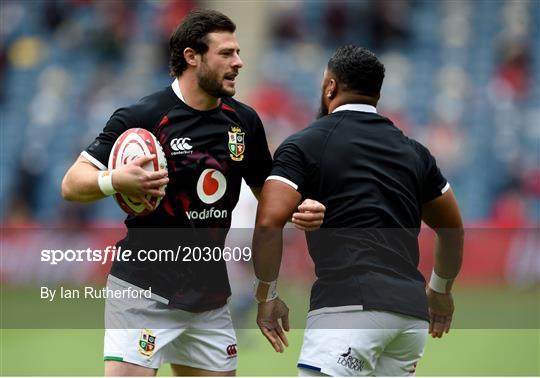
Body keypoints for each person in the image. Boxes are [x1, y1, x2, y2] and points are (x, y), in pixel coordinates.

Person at [61, 9, 325, 377]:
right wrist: (115, 180)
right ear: (191, 56)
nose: (239, 62)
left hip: (209, 298)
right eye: (227, 53)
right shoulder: (145, 115)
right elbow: (72, 183)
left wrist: (301, 207)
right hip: (143, 291)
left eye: (238, 52)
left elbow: (269, 194)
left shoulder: (244, 122)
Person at [252, 45, 464, 376]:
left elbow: (267, 224)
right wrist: (440, 291)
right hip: (410, 318)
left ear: (330, 86)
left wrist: (267, 295)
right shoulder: (414, 152)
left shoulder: (304, 144)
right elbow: (452, 228)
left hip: (347, 310)